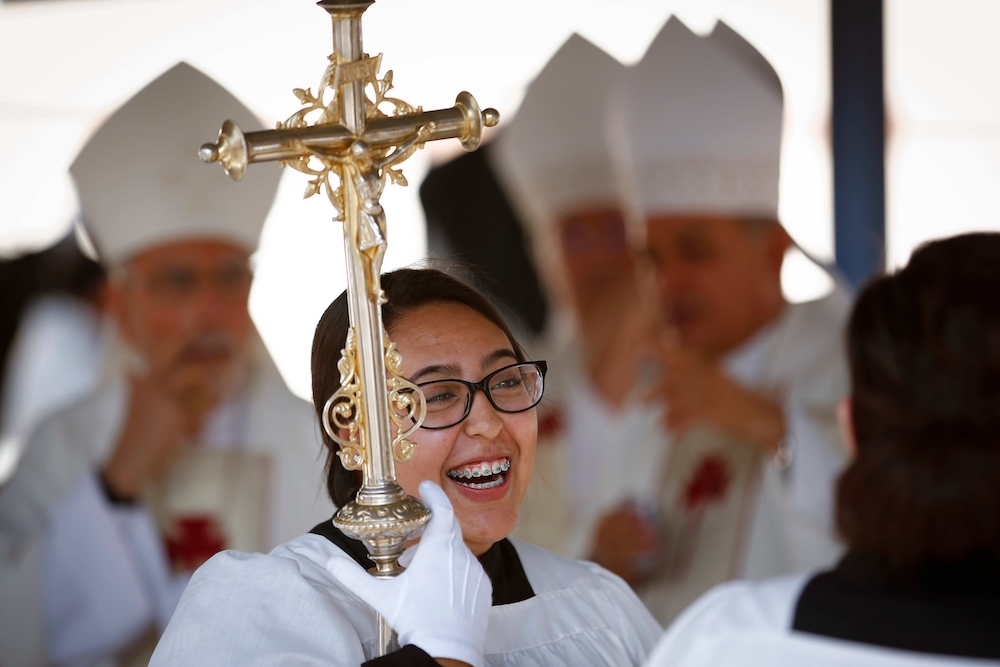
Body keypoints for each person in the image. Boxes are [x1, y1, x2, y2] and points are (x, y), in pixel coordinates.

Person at [149, 267, 662, 666]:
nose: (488, 422)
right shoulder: (264, 606)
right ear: (354, 430)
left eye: (506, 381)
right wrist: (438, 652)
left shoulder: (594, 605)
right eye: (437, 395)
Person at [0, 62, 333, 666]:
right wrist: (117, 480)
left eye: (230, 276)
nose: (210, 309)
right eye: (178, 281)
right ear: (119, 305)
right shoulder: (63, 447)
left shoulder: (321, 443)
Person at [643, 233, 1000, 665]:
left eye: (697, 250)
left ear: (850, 429)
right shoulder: (645, 396)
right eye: (650, 258)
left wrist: (776, 425)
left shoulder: (727, 640)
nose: (670, 282)